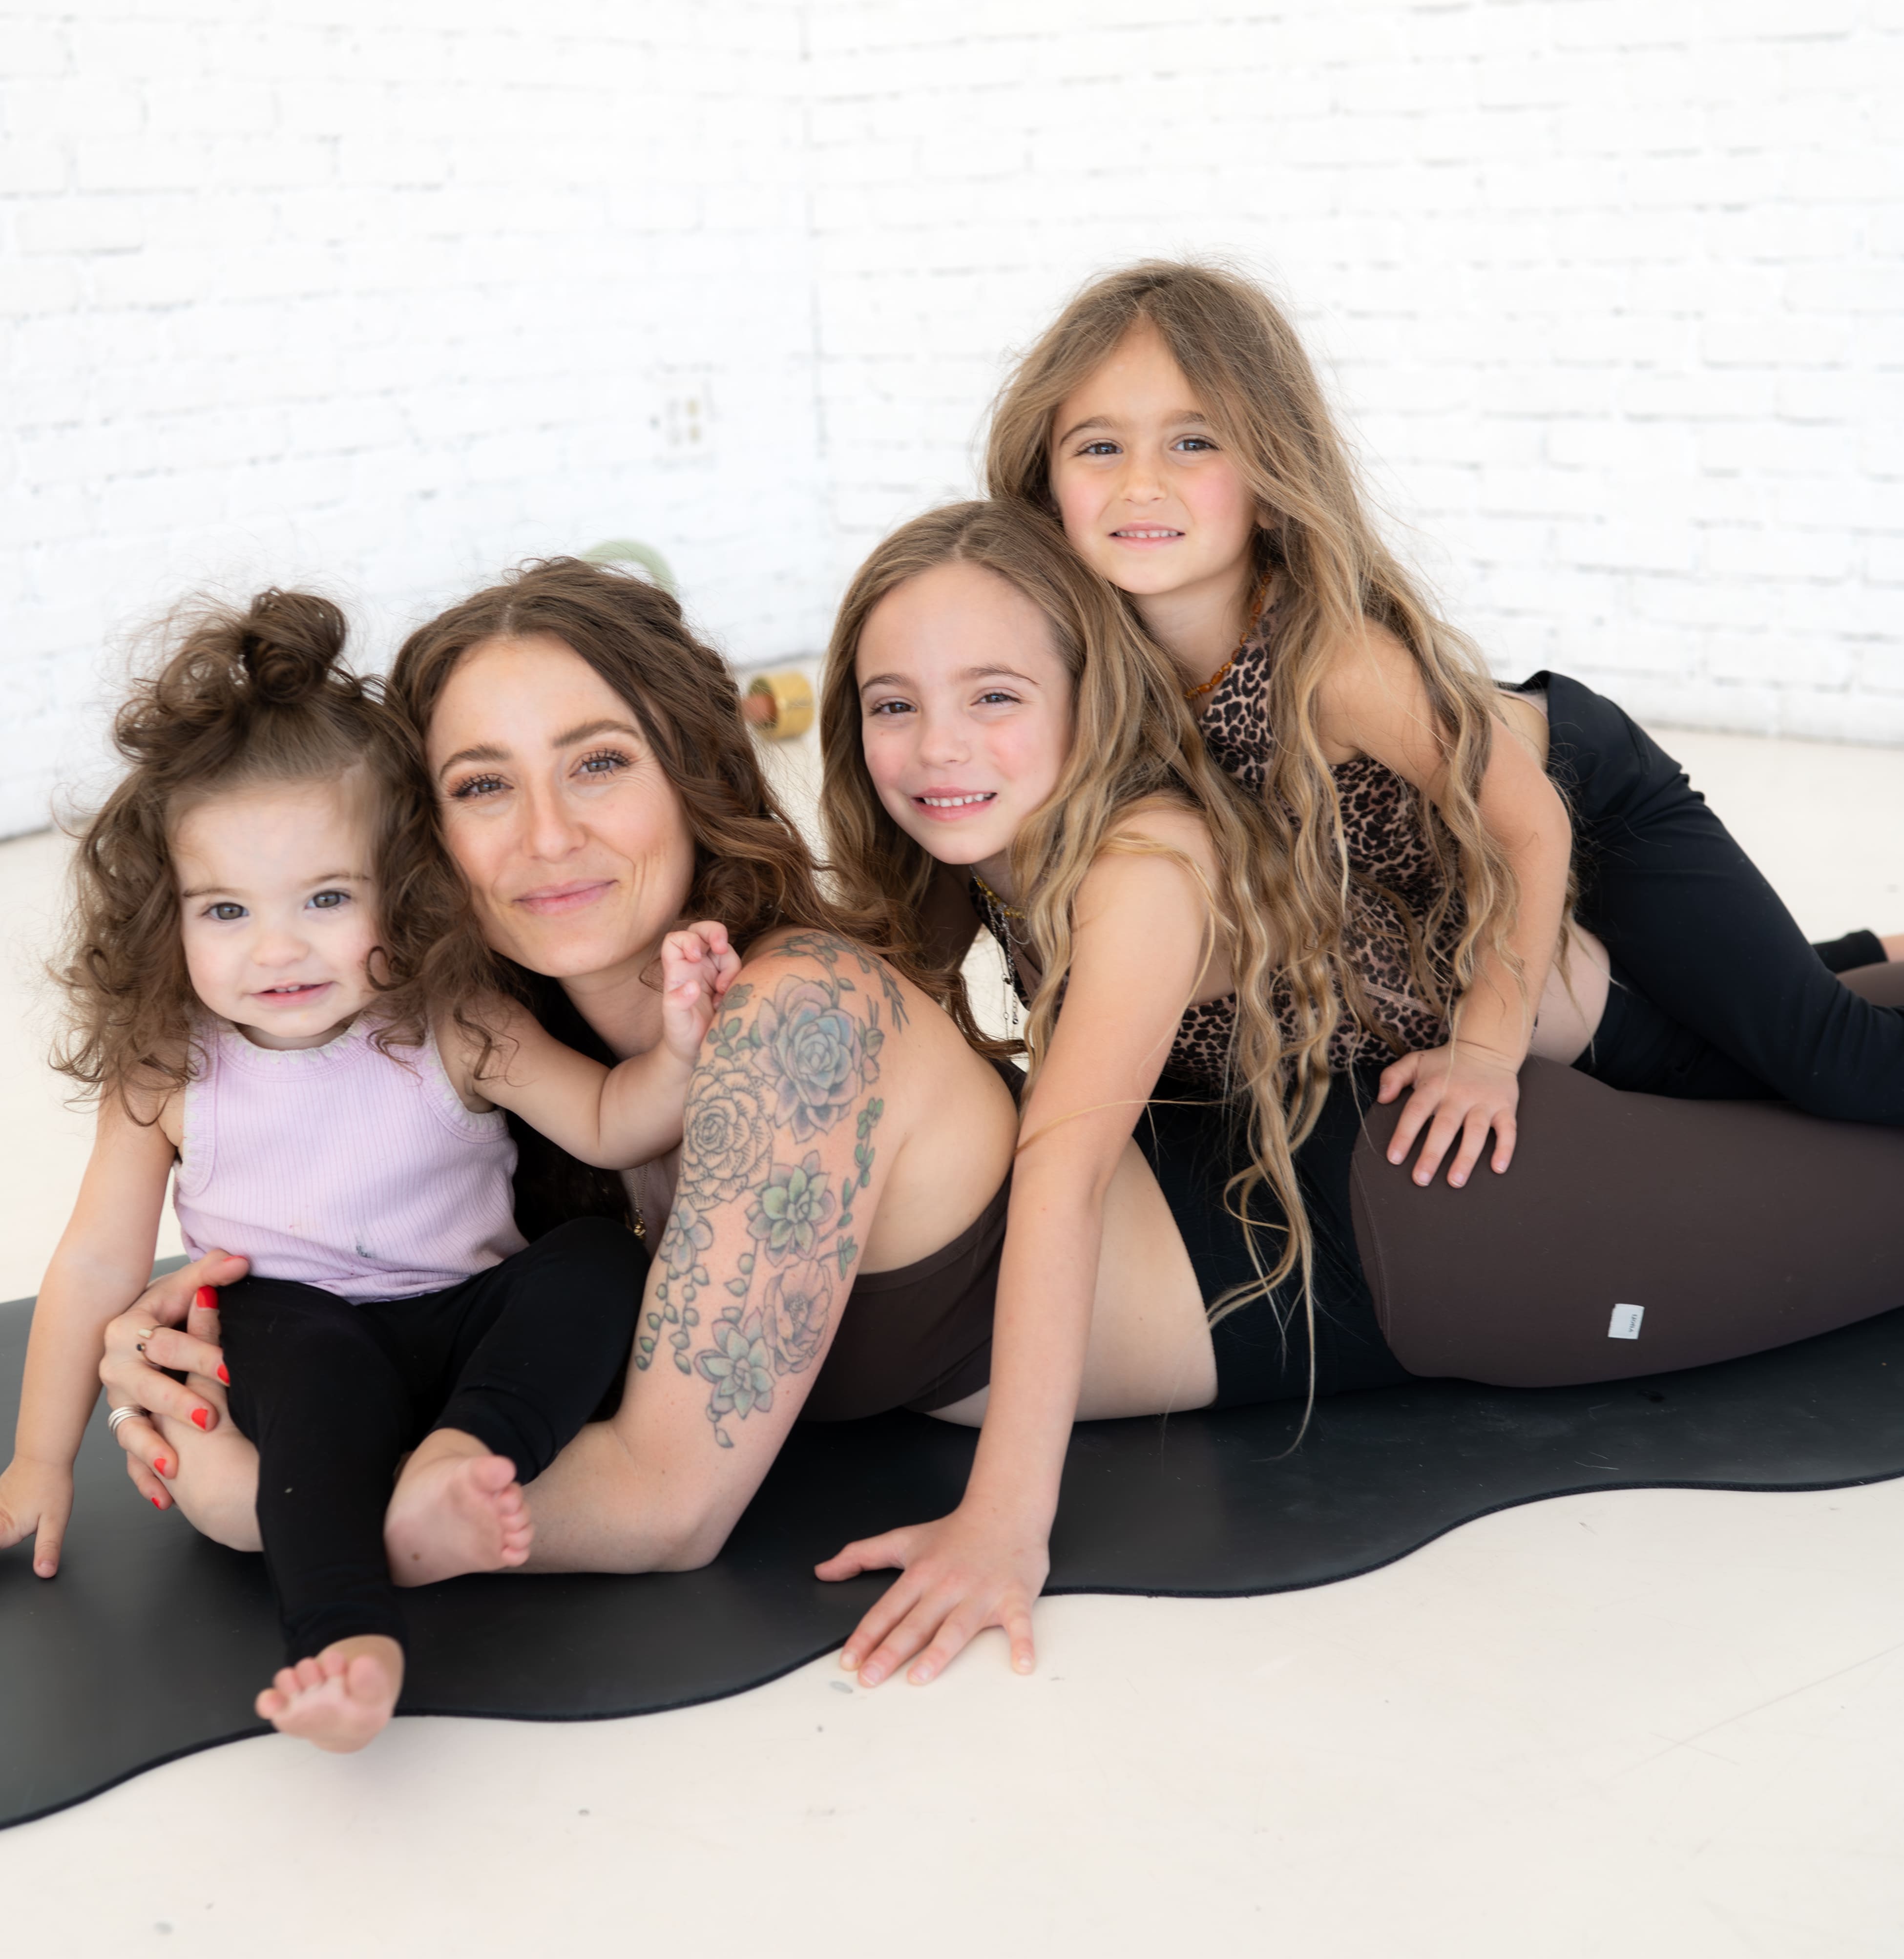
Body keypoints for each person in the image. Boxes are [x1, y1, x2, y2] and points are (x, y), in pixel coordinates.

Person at [93, 549, 1904, 1692]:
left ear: (686, 769)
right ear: (430, 835)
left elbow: (660, 1503)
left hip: (1445, 1236)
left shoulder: (794, 1025)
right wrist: (200, 1335)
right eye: (484, 786)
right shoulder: (505, 1049)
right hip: (1320, 1157)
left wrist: (278, 1503)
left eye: (598, 764)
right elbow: (437, 1301)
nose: (547, 838)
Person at [0, 591, 737, 1754]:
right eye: (227, 909)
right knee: (296, 1352)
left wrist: (683, 1048)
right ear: (169, 916)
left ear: (407, 886)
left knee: (596, 1263)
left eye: (327, 900)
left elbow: (607, 1122)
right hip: (296, 1337)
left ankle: (464, 1453)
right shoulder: (167, 1062)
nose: (276, 947)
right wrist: (41, 1456)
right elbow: (96, 1257)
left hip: (463, 1324)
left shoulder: (455, 1020)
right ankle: (348, 1639)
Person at [985, 259, 1904, 1188]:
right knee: (1721, 991)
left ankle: (1816, 991)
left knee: (1827, 1062)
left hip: (1587, 798)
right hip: (1471, 857)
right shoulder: (1086, 656)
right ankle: (1871, 956)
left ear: (1269, 479)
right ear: (1046, 480)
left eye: (1194, 443)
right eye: (1099, 448)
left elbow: (1530, 825)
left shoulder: (1334, 662)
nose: (1141, 483)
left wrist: (1485, 1056)